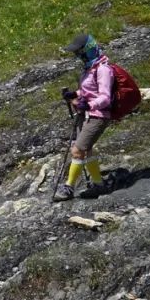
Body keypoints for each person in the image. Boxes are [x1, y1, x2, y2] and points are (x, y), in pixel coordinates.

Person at [54, 34, 113, 201]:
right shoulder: (90, 67)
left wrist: (88, 105)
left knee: (77, 150)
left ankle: (68, 188)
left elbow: (105, 97)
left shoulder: (103, 70)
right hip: (85, 115)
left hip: (98, 116)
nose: (77, 56)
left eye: (79, 52)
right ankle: (99, 185)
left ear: (87, 50)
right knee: (86, 151)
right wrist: (75, 94)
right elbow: (89, 91)